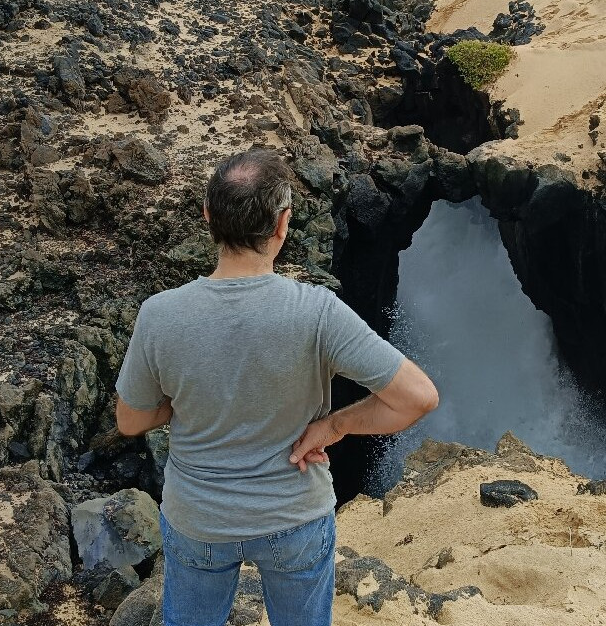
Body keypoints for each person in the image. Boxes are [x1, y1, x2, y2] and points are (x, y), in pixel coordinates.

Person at [115, 148, 438, 626]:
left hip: (200, 519)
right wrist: (335, 425)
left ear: (208, 217)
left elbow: (130, 421)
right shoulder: (318, 312)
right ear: (283, 225)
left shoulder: (160, 315)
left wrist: (176, 404)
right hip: (295, 518)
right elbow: (418, 397)